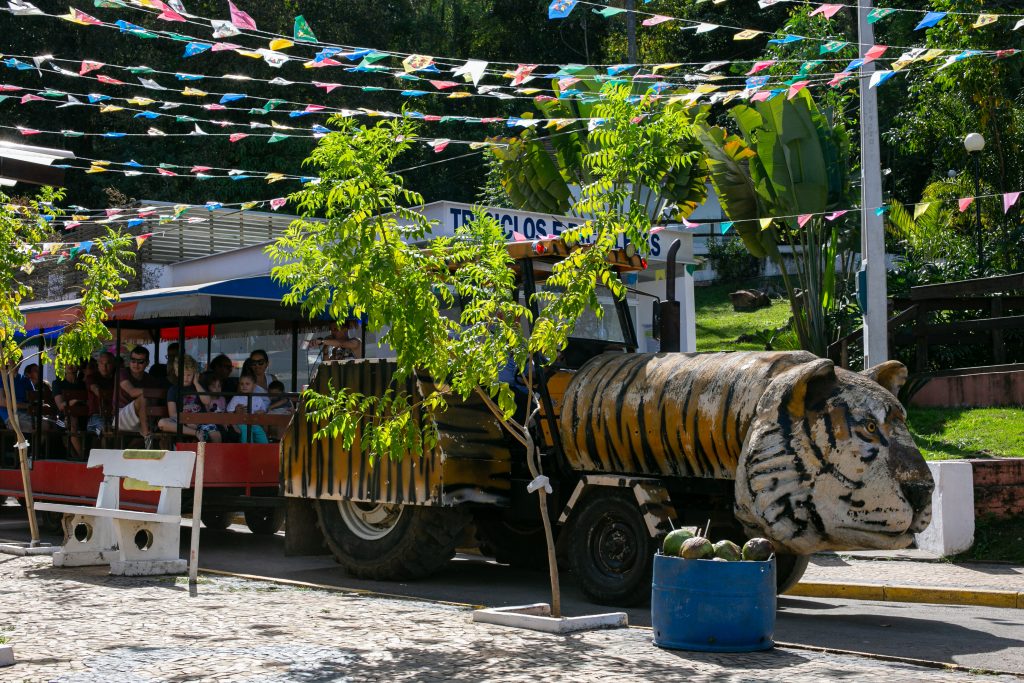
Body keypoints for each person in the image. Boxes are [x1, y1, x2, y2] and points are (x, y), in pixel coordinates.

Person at [157, 355, 221, 443]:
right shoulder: (173, 390)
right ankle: (196, 433)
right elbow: (172, 414)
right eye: (183, 374)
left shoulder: (199, 387)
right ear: (177, 373)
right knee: (162, 423)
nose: (186, 378)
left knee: (216, 435)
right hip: (183, 423)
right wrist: (186, 421)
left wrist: (196, 383)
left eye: (189, 374)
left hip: (201, 421)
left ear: (194, 374)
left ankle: (214, 456)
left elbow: (207, 401)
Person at [114, 346, 161, 447]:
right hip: (121, 416)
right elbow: (132, 392)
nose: (136, 364)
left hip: (142, 417)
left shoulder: (150, 379)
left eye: (140, 361)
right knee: (143, 397)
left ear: (147, 363)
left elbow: (155, 400)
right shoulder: (122, 373)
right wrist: (151, 392)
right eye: (133, 360)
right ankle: (146, 434)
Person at [52, 362, 88, 456]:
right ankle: (82, 457)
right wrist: (72, 402)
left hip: (83, 415)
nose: (70, 365)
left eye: (73, 362)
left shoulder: (83, 384)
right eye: (67, 363)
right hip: (63, 418)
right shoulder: (57, 383)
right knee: (73, 422)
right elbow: (60, 405)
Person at [226, 371, 270, 444]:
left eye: (247, 384)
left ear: (254, 386)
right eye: (241, 384)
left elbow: (264, 410)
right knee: (246, 435)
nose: (244, 386)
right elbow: (229, 412)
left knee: (262, 438)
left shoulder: (258, 398)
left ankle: (264, 451)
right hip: (241, 423)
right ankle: (247, 450)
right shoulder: (236, 398)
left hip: (255, 423)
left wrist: (261, 412)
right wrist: (234, 425)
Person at [85, 351, 116, 437]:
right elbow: (98, 391)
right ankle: (105, 450)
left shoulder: (117, 378)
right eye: (102, 363)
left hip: (114, 415)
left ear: (113, 365)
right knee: (105, 428)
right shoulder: (92, 378)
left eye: (108, 363)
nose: (104, 367)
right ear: (98, 364)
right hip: (96, 416)